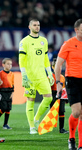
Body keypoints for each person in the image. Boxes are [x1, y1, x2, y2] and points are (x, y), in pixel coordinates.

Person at [19, 19, 54, 134]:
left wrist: (49, 73)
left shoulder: (44, 41)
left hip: (42, 76)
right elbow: (21, 60)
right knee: (31, 100)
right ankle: (32, 127)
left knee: (49, 98)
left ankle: (36, 118)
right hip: (30, 77)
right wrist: (24, 75)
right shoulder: (24, 42)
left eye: (38, 25)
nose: (37, 27)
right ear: (29, 27)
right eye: (34, 25)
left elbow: (45, 59)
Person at [55, 18, 82, 150]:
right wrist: (58, 83)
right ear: (76, 30)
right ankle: (71, 138)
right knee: (76, 112)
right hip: (72, 80)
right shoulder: (68, 44)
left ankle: (81, 144)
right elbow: (58, 64)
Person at [50, 58, 68, 134]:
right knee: (53, 111)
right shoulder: (50, 77)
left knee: (62, 111)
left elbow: (64, 88)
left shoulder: (62, 77)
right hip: (53, 95)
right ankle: (50, 126)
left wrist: (66, 98)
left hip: (61, 96)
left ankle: (61, 128)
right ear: (53, 67)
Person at [0, 58, 14, 130]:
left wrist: (12, 93)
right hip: (2, 92)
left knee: (8, 109)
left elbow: (12, 84)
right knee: (3, 108)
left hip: (9, 92)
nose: (10, 65)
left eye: (10, 64)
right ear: (3, 65)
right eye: (8, 64)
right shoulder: (0, 73)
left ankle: (5, 124)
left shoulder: (12, 74)